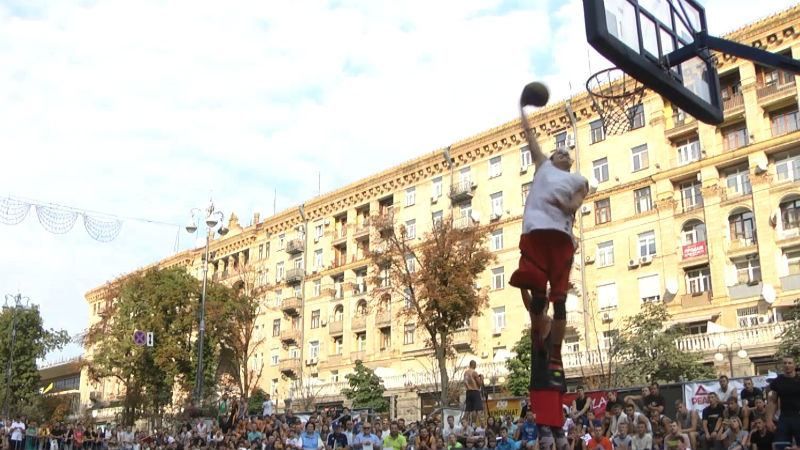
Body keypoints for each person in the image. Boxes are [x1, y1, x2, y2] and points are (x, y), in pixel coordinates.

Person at [510, 101, 589, 380]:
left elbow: (576, 203)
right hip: (535, 234)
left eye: (567, 152)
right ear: (551, 158)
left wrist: (567, 205)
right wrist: (522, 111)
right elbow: (531, 139)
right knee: (538, 295)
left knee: (560, 300)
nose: (563, 152)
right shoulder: (543, 166)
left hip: (559, 240)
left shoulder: (579, 180)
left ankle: (556, 353)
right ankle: (538, 334)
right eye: (558, 151)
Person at [766, 356, 800, 446]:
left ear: (794, 365)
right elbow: (773, 401)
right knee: (780, 445)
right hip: (784, 417)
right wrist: (769, 420)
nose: (787, 365)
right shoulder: (777, 381)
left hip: (798, 416)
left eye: (789, 363)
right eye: (785, 363)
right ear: (782, 365)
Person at [464, 362, 485, 426]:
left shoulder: (466, 373)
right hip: (475, 391)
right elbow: (480, 384)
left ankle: (464, 423)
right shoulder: (474, 372)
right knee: (478, 409)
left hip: (468, 392)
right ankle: (480, 425)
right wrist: (482, 378)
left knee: (468, 409)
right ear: (474, 365)